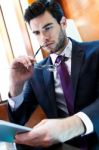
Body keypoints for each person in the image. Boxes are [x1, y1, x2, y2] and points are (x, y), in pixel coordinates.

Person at [8, 0, 99, 150]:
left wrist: (71, 125)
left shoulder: (96, 51)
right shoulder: (36, 71)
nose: (43, 38)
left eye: (48, 28)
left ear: (63, 23)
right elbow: (18, 120)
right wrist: (15, 85)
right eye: (36, 33)